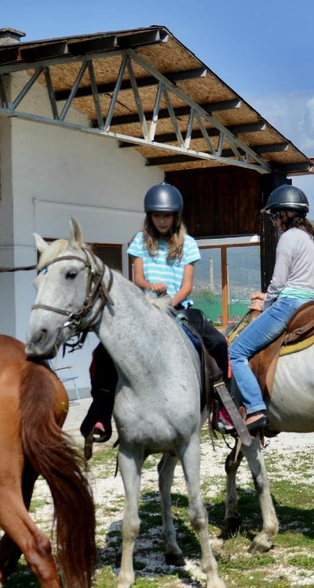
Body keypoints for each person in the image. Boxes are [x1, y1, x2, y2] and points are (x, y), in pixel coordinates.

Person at [80, 183, 231, 437]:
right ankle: (101, 413)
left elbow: (187, 286)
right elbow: (137, 278)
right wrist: (151, 287)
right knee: (103, 352)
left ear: (176, 216)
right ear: (150, 216)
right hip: (144, 308)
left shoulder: (189, 244)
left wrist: (169, 303)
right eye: (157, 215)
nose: (162, 221)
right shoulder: (140, 241)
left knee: (217, 343)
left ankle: (222, 407)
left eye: (167, 215)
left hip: (179, 307)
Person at [228, 184, 314, 431]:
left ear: (285, 213)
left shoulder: (289, 237)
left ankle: (254, 409)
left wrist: (265, 304)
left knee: (236, 351)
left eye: (274, 215)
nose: (272, 220)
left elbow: (279, 282)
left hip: (290, 305)